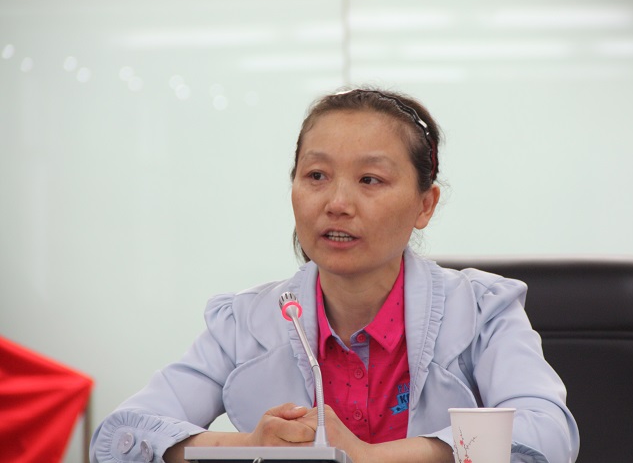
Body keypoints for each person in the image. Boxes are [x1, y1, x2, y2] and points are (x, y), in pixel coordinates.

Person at [90, 88, 579, 463]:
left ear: (425, 205)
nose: (337, 203)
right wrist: (250, 445)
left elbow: (548, 435)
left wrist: (371, 457)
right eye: (316, 176)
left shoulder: (482, 309)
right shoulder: (246, 320)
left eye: (370, 179)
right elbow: (118, 437)